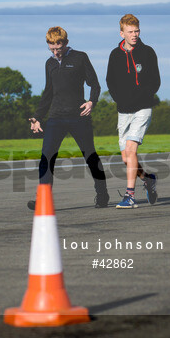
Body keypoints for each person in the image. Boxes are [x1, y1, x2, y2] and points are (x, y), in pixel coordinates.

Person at [27, 26, 109, 209]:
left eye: (58, 48)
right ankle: (44, 200)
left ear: (65, 43)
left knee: (90, 155)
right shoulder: (49, 64)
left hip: (78, 115)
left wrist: (91, 102)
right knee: (47, 157)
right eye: (51, 49)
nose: (55, 52)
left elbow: (94, 84)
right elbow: (48, 92)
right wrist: (37, 117)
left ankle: (102, 194)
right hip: (55, 117)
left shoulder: (80, 58)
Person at [106, 14, 161, 209]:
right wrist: (119, 98)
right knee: (126, 158)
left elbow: (156, 81)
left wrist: (142, 97)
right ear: (122, 33)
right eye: (130, 32)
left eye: (137, 31)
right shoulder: (114, 54)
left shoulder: (147, 52)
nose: (134, 35)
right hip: (123, 110)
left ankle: (130, 196)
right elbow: (110, 81)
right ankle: (147, 179)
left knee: (131, 151)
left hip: (143, 108)